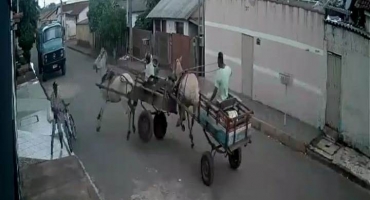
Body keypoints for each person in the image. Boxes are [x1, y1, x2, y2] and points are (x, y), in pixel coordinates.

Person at [50, 82, 67, 154]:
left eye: (56, 86)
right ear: (53, 88)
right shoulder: (52, 96)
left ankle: (68, 133)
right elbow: (52, 107)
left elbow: (63, 101)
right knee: (59, 130)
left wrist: (65, 106)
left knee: (66, 122)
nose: (55, 88)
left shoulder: (60, 94)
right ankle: (61, 143)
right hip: (56, 115)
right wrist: (55, 111)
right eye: (54, 87)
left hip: (61, 111)